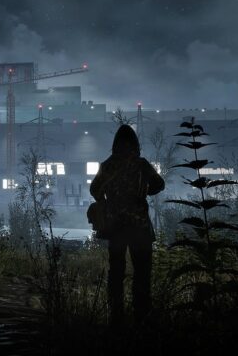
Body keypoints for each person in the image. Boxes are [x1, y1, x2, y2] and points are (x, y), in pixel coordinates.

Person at [90, 124, 164, 325]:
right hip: (139, 226)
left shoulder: (107, 166)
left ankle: (116, 317)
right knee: (142, 273)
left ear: (115, 144)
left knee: (116, 272)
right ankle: (142, 316)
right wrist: (144, 192)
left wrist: (107, 202)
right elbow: (159, 184)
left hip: (115, 227)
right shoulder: (141, 164)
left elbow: (95, 190)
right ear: (135, 144)